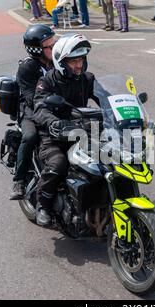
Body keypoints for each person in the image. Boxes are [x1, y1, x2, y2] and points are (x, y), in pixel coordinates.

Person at [32, 34, 98, 226]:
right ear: (61, 62)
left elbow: (107, 97)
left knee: (110, 158)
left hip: (82, 131)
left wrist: (127, 114)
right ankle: (43, 205)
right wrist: (53, 122)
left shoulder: (87, 78)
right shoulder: (48, 82)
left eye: (81, 60)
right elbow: (40, 107)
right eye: (74, 61)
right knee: (59, 163)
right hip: (54, 135)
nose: (79, 65)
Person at [9, 25, 56, 200]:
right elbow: (31, 98)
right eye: (49, 45)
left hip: (55, 106)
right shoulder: (27, 68)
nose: (54, 47)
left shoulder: (57, 62)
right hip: (30, 110)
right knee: (30, 136)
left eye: (54, 43)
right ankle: (19, 180)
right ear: (36, 49)